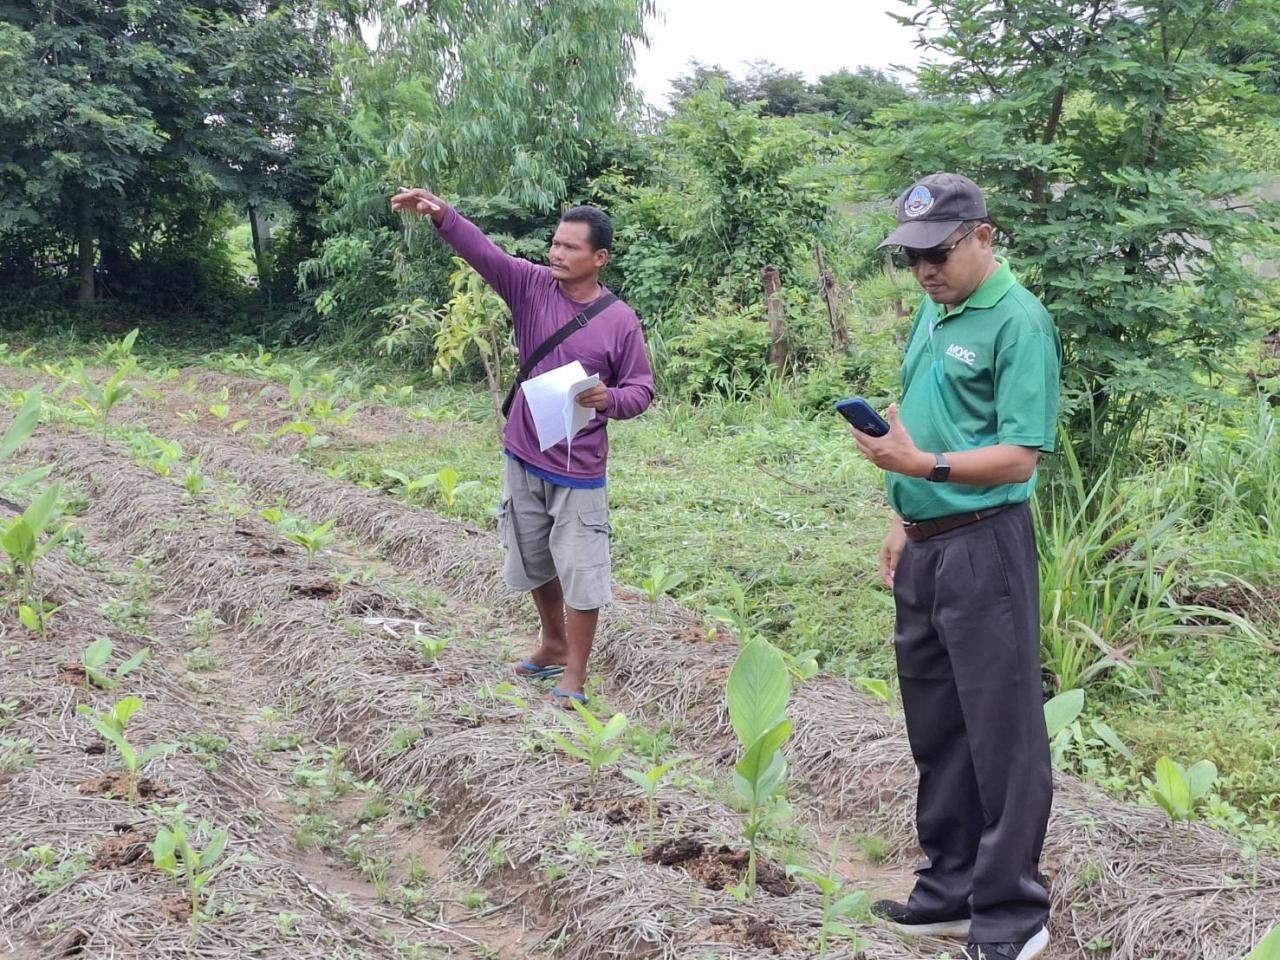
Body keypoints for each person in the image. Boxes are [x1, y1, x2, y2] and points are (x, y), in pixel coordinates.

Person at [852, 173, 1061, 960]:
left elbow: (1017, 457)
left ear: (982, 235)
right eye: (910, 259)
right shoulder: (934, 313)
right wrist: (901, 513)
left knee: (1002, 732)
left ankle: (1013, 914)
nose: (924, 270)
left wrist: (926, 466)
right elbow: (919, 416)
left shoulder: (1018, 321)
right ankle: (948, 890)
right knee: (937, 726)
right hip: (927, 542)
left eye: (937, 252)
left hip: (985, 544)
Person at [391, 187, 654, 707]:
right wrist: (443, 214)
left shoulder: (620, 320)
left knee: (581, 570)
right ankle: (552, 645)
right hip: (523, 452)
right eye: (555, 243)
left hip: (579, 468)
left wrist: (610, 399)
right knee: (532, 558)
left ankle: (574, 676)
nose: (556, 254)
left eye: (571, 247)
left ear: (598, 258)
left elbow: (642, 389)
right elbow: (484, 253)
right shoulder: (531, 287)